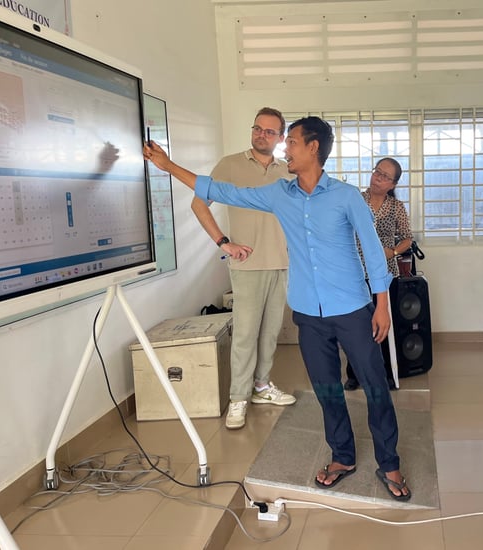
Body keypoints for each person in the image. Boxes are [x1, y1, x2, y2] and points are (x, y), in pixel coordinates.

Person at [144, 116, 412, 500]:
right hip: (308, 311)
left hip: (353, 307)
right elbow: (220, 190)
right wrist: (168, 166)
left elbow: (372, 250)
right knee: (326, 389)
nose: (285, 148)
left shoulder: (346, 195)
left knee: (374, 387)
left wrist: (382, 304)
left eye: (293, 142)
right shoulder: (278, 194)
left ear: (314, 148)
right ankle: (343, 456)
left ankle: (390, 463)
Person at [191, 107, 296, 431]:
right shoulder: (230, 165)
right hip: (247, 265)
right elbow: (198, 203)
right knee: (246, 336)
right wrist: (224, 242)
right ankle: (238, 399)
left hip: (281, 264)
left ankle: (262, 387)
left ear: (280, 138)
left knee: (269, 334)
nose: (261, 135)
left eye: (269, 132)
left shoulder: (288, 171)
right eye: (257, 129)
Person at [344, 157, 413, 391]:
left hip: (384, 273)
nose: (378, 178)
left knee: (382, 324)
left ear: (392, 184)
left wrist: (392, 251)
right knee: (355, 327)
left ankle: (385, 373)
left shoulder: (396, 207)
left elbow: (407, 238)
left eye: (385, 177)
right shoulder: (355, 200)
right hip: (354, 271)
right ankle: (353, 374)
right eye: (377, 172)